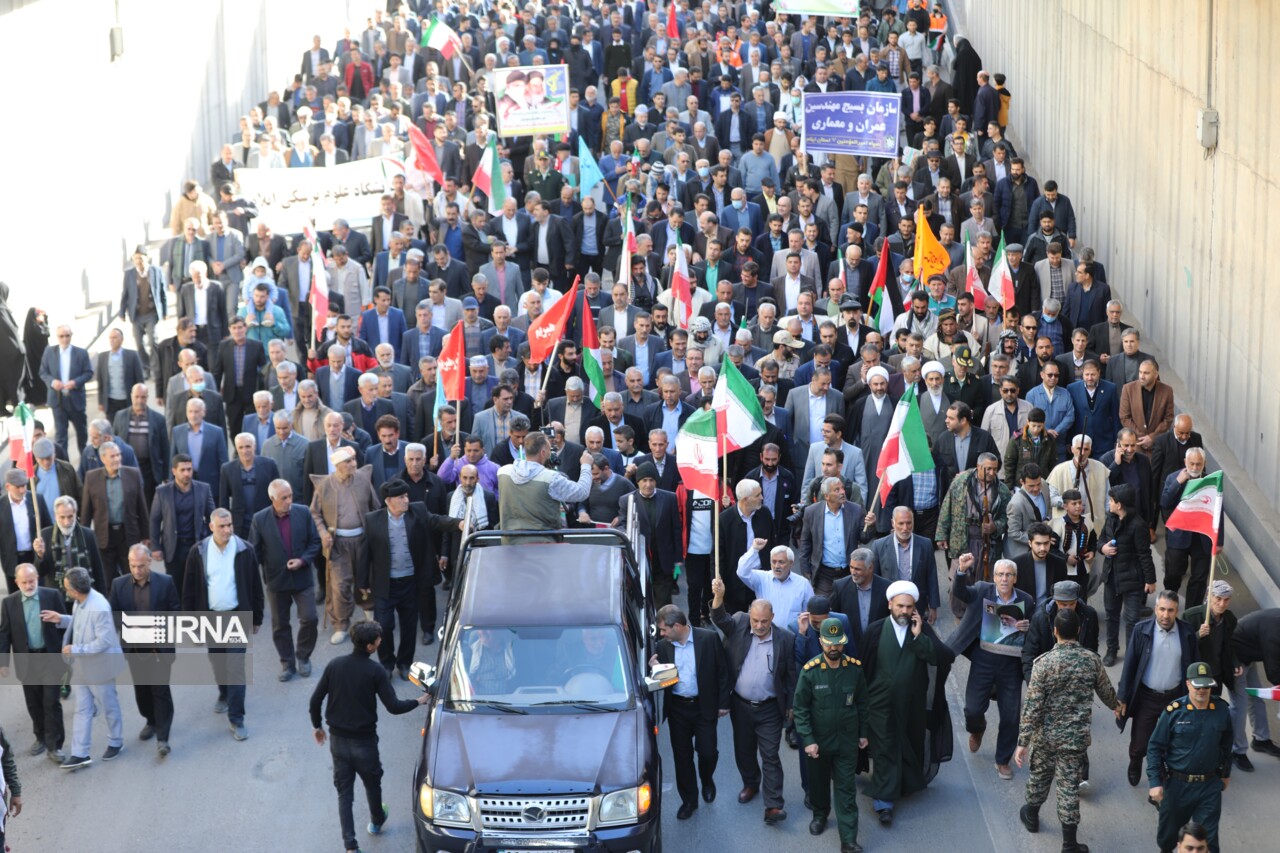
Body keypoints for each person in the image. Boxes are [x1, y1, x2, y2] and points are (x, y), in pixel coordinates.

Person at [310, 621, 430, 853]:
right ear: (370, 647)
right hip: (364, 743)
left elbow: (315, 700)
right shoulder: (374, 671)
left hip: (338, 742)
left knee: (344, 794)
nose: (381, 641)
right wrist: (419, 701)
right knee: (372, 783)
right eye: (378, 639)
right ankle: (376, 821)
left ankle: (351, 847)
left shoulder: (335, 665)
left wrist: (317, 727)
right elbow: (394, 706)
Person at [1014, 607, 1119, 853]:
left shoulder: (1043, 664)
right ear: (1079, 631)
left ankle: (1031, 816)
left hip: (1045, 738)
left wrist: (1022, 742)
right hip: (1075, 740)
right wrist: (1118, 706)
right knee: (1068, 787)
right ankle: (1069, 844)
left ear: (1055, 632)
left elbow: (1031, 707)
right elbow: (1106, 692)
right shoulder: (1091, 660)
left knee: (1039, 777)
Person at [861, 580, 956, 825]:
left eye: (909, 607)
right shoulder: (874, 630)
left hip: (912, 705)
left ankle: (901, 784)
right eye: (900, 606)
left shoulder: (920, 631)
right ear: (890, 603)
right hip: (879, 704)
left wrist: (918, 637)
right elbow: (863, 668)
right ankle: (884, 802)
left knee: (908, 744)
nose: (904, 611)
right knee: (884, 748)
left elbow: (943, 657)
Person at [708, 576, 796, 826]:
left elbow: (790, 676)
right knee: (744, 750)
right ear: (750, 615)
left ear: (773, 618)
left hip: (770, 708)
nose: (758, 625)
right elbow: (718, 618)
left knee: (770, 755)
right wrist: (719, 596)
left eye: (764, 621)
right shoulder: (738, 623)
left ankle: (773, 805)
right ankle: (750, 783)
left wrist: (790, 706)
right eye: (755, 620)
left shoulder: (786, 640)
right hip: (741, 706)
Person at [360, 479, 461, 679]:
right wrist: (362, 583)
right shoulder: (373, 520)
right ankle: (387, 663)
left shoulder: (418, 511)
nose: (407, 500)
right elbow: (365, 553)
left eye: (407, 496)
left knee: (409, 626)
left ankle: (405, 663)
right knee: (385, 626)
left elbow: (437, 520)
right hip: (386, 585)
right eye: (402, 497)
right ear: (389, 501)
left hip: (410, 583)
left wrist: (458, 523)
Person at [949, 555, 1035, 780]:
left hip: (1011, 665)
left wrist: (1028, 626)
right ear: (993, 577)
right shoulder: (981, 590)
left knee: (1010, 716)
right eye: (1000, 574)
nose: (1004, 579)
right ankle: (977, 729)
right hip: (984, 660)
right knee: (973, 709)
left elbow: (1036, 629)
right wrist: (961, 571)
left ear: (1015, 578)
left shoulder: (1026, 600)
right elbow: (961, 593)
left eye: (1008, 575)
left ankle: (1002, 760)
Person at [182, 508, 264, 741]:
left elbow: (256, 587)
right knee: (218, 662)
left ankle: (237, 719)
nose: (227, 530)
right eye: (222, 526)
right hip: (210, 618)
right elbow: (188, 590)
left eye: (230, 525)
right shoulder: (198, 552)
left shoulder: (244, 550)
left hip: (237, 616)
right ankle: (224, 693)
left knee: (236, 667)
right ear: (211, 527)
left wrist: (256, 618)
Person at [793, 615, 869, 853]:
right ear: (821, 641)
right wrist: (808, 739)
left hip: (846, 742)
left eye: (838, 643)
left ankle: (848, 839)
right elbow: (801, 709)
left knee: (846, 789)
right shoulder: (810, 672)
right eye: (829, 643)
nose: (834, 648)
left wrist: (863, 733)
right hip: (819, 742)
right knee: (818, 783)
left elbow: (863, 704)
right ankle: (820, 814)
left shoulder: (854, 670)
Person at [652, 604, 731, 820]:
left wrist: (724, 703)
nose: (661, 634)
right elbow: (660, 682)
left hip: (704, 706)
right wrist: (655, 670)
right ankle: (689, 800)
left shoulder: (708, 639)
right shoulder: (662, 646)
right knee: (682, 758)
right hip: (677, 709)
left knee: (707, 752)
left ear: (677, 626)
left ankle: (707, 779)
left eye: (663, 629)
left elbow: (723, 671)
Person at [42, 566, 124, 770]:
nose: (65, 591)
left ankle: (116, 741)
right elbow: (79, 624)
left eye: (67, 588)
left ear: (76, 590)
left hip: (101, 667)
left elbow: (103, 641)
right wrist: (61, 619)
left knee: (109, 705)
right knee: (82, 708)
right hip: (82, 666)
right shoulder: (80, 602)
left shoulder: (99, 607)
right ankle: (80, 753)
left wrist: (76, 649)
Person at [1147, 662, 1234, 853]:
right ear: (1188, 684)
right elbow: (1155, 747)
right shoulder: (1174, 711)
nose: (1202, 690)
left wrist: (1225, 774)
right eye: (1197, 686)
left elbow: (1227, 745)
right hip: (1177, 786)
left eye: (1206, 686)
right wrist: (1155, 782)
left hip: (1209, 785)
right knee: (1167, 839)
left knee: (1209, 842)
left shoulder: (1221, 710)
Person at [1117, 590, 1197, 787]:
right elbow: (1130, 665)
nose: (1165, 615)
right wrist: (1122, 698)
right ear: (1155, 609)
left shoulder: (1187, 633)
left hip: (1176, 698)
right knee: (1139, 744)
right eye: (1162, 609)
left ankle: (1161, 778)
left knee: (1171, 742)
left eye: (1170, 610)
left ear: (1177, 611)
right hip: (1147, 697)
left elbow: (1194, 665)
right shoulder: (1141, 630)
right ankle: (1135, 762)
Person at [107, 544, 180, 756]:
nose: (137, 570)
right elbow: (113, 614)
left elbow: (175, 611)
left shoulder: (165, 582)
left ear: (149, 562)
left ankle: (163, 738)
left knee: (160, 691)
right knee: (142, 691)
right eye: (132, 566)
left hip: (158, 649)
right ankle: (151, 720)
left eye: (141, 565)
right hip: (135, 650)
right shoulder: (119, 584)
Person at [249, 479, 321, 681]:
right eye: (284, 497)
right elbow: (254, 552)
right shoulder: (259, 519)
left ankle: (303, 656)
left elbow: (315, 542)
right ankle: (287, 663)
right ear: (272, 499)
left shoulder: (303, 512)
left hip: (302, 576)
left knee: (310, 618)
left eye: (290, 496)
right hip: (276, 580)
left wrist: (303, 560)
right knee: (280, 624)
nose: (289, 500)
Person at [309, 446, 381, 644]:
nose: (353, 464)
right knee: (340, 585)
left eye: (354, 460)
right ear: (338, 465)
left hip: (362, 540)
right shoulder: (324, 485)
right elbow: (314, 513)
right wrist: (323, 533)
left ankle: (369, 615)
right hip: (338, 542)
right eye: (348, 461)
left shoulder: (363, 480)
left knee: (365, 579)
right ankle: (341, 624)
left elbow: (376, 507)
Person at [0, 563, 67, 762]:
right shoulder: (9, 603)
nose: (29, 585)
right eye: (25, 582)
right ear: (16, 583)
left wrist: (67, 650)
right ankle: (40, 737)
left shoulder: (52, 596)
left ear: (37, 577)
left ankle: (55, 746)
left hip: (49, 657)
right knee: (34, 703)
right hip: (27, 661)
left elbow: (64, 627)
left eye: (32, 581)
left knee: (51, 702)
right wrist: (4, 662)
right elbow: (4, 634)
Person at [1100, 482, 1156, 666]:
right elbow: (1100, 540)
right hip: (1111, 577)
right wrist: (1103, 548)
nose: (1109, 503)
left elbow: (1144, 553)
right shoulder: (1110, 518)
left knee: (1132, 619)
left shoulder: (1138, 525)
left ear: (1120, 504)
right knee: (1111, 615)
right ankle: (1112, 650)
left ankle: (1132, 653)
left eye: (1111, 500)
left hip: (1132, 579)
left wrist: (1150, 580)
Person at [495, 430, 593, 533]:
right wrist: (586, 465)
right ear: (543, 453)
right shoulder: (551, 478)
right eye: (548, 451)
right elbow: (582, 492)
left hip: (510, 542)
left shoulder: (503, 472)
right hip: (543, 543)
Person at [149, 454, 215, 601]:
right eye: (183, 470)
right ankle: (179, 620)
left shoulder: (203, 489)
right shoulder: (162, 491)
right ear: (174, 471)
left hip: (197, 545)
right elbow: (154, 520)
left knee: (199, 586)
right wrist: (155, 547)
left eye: (189, 469)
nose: (186, 473)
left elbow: (213, 516)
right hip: (174, 547)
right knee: (175, 587)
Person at [38, 325, 94, 455]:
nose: (64, 339)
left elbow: (88, 372)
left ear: (71, 336)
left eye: (67, 336)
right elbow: (43, 372)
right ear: (57, 337)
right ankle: (64, 466)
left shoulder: (81, 353)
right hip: (58, 401)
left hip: (76, 400)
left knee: (82, 433)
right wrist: (52, 382)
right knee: (61, 437)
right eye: (61, 336)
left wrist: (75, 382)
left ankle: (85, 462)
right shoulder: (49, 352)